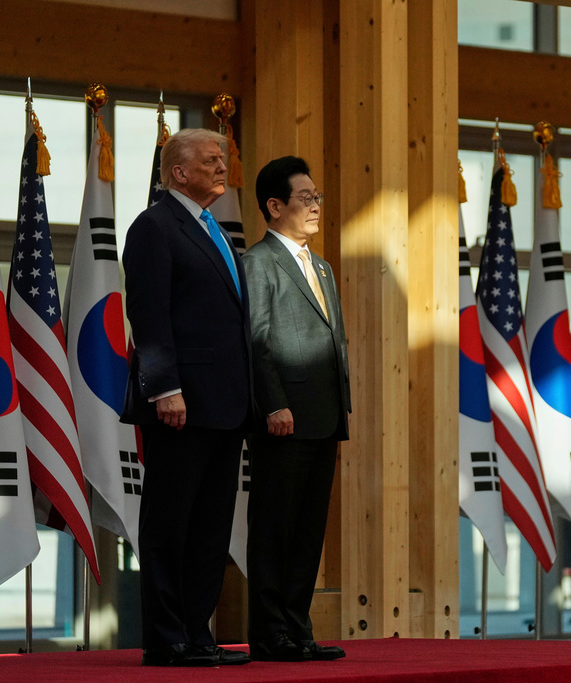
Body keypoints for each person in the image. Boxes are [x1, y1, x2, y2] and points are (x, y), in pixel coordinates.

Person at [121, 128, 252, 667]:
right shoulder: (154, 227)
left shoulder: (212, 229)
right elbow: (149, 316)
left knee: (210, 528)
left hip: (225, 406)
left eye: (222, 159)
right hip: (180, 404)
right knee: (170, 525)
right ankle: (166, 639)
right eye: (211, 160)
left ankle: (197, 634)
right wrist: (165, 388)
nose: (223, 168)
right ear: (178, 171)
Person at [244, 156, 351, 662]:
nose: (315, 206)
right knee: (275, 528)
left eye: (317, 197)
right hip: (283, 419)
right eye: (305, 198)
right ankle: (270, 634)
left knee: (308, 530)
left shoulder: (322, 265)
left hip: (324, 417)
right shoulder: (258, 262)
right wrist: (273, 404)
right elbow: (257, 340)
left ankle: (298, 628)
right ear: (274, 205)